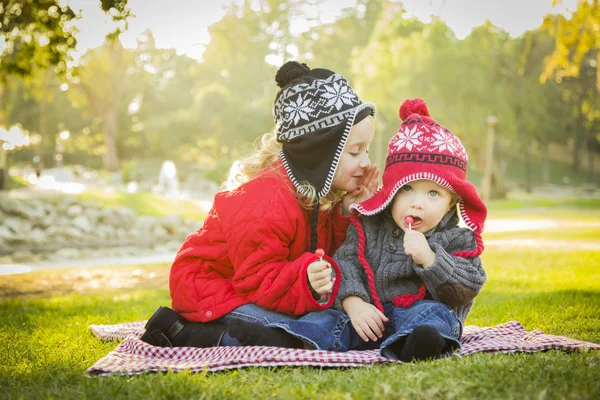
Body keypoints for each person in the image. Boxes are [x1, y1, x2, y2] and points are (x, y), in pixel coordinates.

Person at [140, 61, 378, 348]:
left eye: (366, 150)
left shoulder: (312, 191)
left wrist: (343, 213)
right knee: (302, 328)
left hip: (259, 288)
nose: (365, 162)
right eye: (354, 152)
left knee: (319, 321)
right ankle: (187, 332)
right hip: (213, 291)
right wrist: (305, 276)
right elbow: (257, 279)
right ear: (320, 153)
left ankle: (277, 336)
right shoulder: (266, 200)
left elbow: (321, 247)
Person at [229, 98, 488, 362]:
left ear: (451, 203)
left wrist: (431, 259)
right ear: (391, 190)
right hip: (367, 318)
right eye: (406, 189)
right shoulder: (370, 223)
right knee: (328, 320)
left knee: (436, 315)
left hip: (418, 315)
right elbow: (346, 262)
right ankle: (287, 337)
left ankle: (415, 345)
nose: (417, 203)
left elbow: (465, 289)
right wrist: (354, 303)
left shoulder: (458, 239)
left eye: (433, 193)